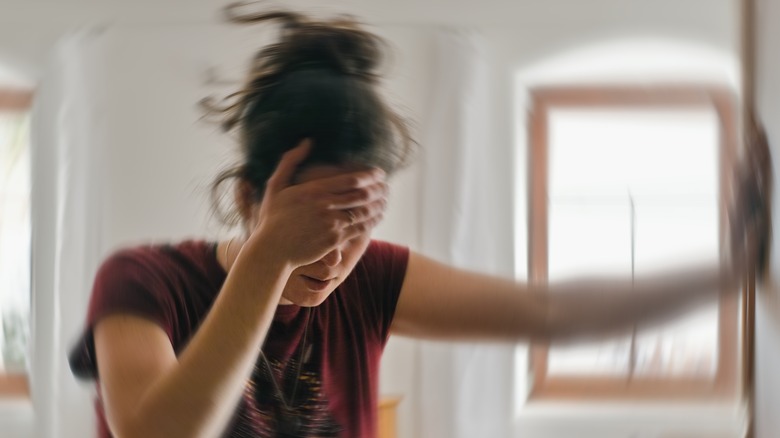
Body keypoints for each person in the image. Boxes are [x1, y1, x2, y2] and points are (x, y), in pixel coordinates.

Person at [67, 6, 769, 438]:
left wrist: (732, 269)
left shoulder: (371, 281)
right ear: (252, 199)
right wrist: (269, 258)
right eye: (312, 220)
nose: (335, 254)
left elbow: (550, 311)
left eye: (357, 221)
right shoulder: (142, 281)